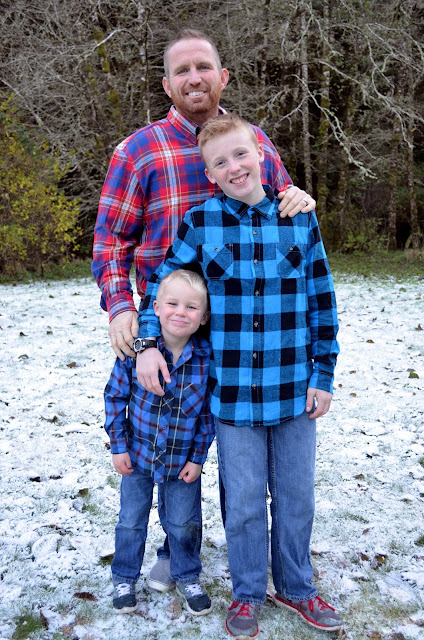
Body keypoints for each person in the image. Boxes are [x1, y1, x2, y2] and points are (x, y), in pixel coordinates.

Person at [92, 27, 316, 595]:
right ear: (167, 85)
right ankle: (177, 545)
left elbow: (282, 206)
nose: (195, 78)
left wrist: (300, 197)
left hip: (248, 329)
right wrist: (123, 312)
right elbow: (111, 242)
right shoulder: (138, 151)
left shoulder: (251, 140)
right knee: (171, 438)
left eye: (204, 67)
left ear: (222, 76)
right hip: (172, 330)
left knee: (237, 457)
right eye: (182, 70)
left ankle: (251, 561)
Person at [137, 113, 343, 638]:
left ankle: (296, 586)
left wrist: (323, 372)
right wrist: (146, 342)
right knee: (245, 501)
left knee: (296, 497)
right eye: (220, 162)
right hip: (232, 396)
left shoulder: (298, 218)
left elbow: (322, 301)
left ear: (261, 155)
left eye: (241, 154)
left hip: (294, 388)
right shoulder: (201, 223)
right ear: (209, 173)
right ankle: (248, 592)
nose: (234, 167)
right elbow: (161, 284)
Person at [104, 269, 214, 617]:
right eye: (172, 304)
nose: (181, 312)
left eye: (191, 307)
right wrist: (118, 445)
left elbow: (208, 414)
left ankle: (188, 576)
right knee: (131, 521)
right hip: (137, 456)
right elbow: (114, 397)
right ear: (155, 307)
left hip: (180, 461)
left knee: (183, 522)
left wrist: (197, 458)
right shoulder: (135, 353)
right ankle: (124, 578)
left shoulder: (206, 360)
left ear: (204, 317)